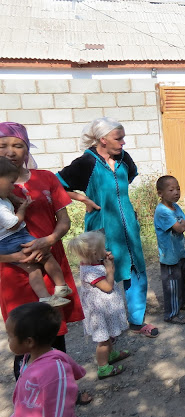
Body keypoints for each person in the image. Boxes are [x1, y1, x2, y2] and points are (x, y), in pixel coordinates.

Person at [0, 122, 85, 389]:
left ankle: (64, 390)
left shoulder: (46, 178)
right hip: (14, 275)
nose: (10, 151)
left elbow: (64, 221)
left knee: (53, 332)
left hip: (50, 266)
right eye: (2, 146)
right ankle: (29, 395)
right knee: (25, 336)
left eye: (18, 145)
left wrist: (47, 241)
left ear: (27, 149)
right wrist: (14, 258)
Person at [57, 117, 157, 338]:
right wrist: (83, 198)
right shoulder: (86, 163)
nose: (123, 142)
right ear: (103, 139)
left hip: (127, 227)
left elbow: (127, 179)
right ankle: (107, 329)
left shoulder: (123, 158)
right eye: (118, 138)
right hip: (100, 230)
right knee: (102, 273)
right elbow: (56, 185)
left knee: (135, 269)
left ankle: (136, 321)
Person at [0, 157, 72, 307]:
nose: (13, 187)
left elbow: (64, 220)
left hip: (6, 246)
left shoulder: (5, 197)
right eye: (11, 183)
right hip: (14, 239)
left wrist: (12, 198)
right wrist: (22, 210)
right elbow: (13, 224)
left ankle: (45, 298)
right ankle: (61, 286)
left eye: (18, 146)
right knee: (46, 256)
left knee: (33, 269)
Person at [4, 302, 86, 417]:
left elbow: (60, 415)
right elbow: (25, 399)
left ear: (29, 342)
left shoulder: (54, 372)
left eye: (10, 336)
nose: (8, 340)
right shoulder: (28, 359)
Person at [67, 231, 131, 379]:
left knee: (108, 336)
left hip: (104, 309)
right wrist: (110, 270)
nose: (106, 250)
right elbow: (107, 287)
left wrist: (109, 262)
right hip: (98, 312)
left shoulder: (93, 262)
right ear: (95, 253)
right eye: (103, 248)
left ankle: (111, 354)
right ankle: (103, 368)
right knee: (103, 340)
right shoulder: (89, 272)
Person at [154, 175, 185, 325]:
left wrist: (183, 225)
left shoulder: (175, 207)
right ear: (160, 193)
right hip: (169, 256)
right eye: (171, 190)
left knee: (183, 278)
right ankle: (171, 314)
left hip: (179, 251)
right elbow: (180, 227)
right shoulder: (162, 211)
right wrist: (182, 225)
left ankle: (182, 302)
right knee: (172, 284)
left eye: (178, 189)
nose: (176, 192)